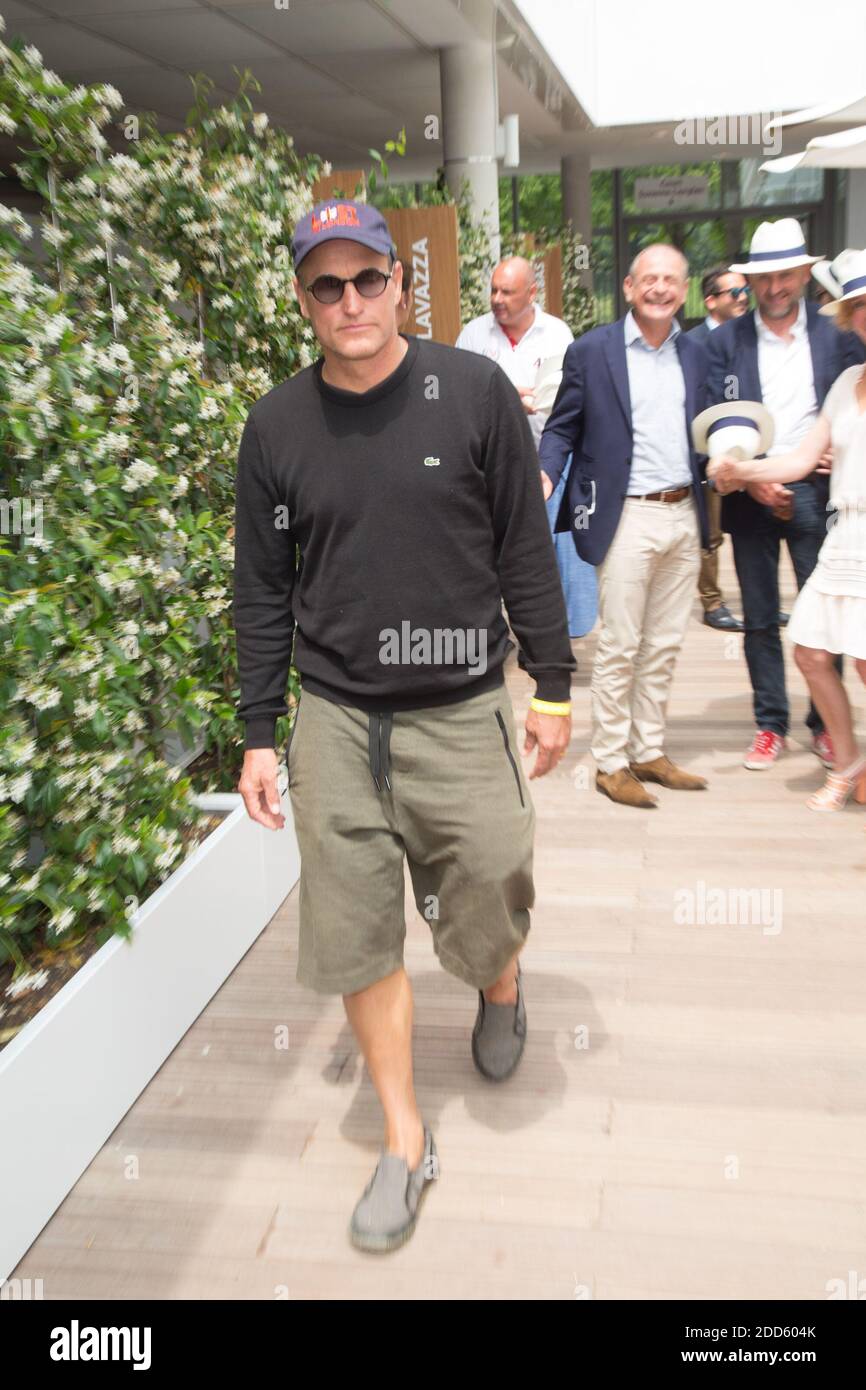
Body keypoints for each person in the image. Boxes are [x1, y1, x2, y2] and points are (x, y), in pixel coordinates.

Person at [232, 199, 575, 1253]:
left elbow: (525, 544)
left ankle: (498, 979)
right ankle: (403, 1137)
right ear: (301, 298)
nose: (349, 301)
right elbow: (261, 588)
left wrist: (551, 684)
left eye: (365, 278)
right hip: (335, 716)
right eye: (324, 285)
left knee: (489, 872)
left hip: (462, 702)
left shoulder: (468, 394)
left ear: (399, 284)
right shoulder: (275, 426)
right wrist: (257, 728)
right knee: (355, 930)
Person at [539, 243, 711, 808]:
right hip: (626, 513)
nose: (660, 288)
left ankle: (648, 749)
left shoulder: (698, 352)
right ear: (630, 288)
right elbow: (562, 427)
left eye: (671, 280)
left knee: (664, 643)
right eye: (649, 279)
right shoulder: (592, 351)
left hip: (685, 512)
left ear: (682, 289)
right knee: (620, 644)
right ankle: (610, 762)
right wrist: (545, 473)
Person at [705, 218, 866, 771]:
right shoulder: (724, 342)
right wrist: (754, 477)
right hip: (753, 494)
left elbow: (851, 418)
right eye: (765, 277)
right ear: (751, 281)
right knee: (758, 616)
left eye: (785, 275)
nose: (775, 287)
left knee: (829, 618)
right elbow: (713, 419)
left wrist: (832, 456)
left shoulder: (837, 337)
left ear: (802, 274)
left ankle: (826, 726)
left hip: (820, 494)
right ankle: (770, 724)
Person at [686, 264, 750, 633]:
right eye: (735, 293)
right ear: (711, 301)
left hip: (747, 449)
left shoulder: (748, 339)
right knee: (709, 531)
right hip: (705, 453)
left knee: (745, 526)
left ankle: (759, 601)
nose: (744, 298)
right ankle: (713, 603)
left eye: (745, 292)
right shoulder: (693, 343)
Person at [455, 255, 573, 449]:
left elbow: (573, 396)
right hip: (490, 459)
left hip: (547, 456)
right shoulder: (473, 335)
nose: (497, 299)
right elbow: (457, 395)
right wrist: (505, 400)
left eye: (507, 292)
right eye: (493, 290)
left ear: (532, 292)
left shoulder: (558, 334)